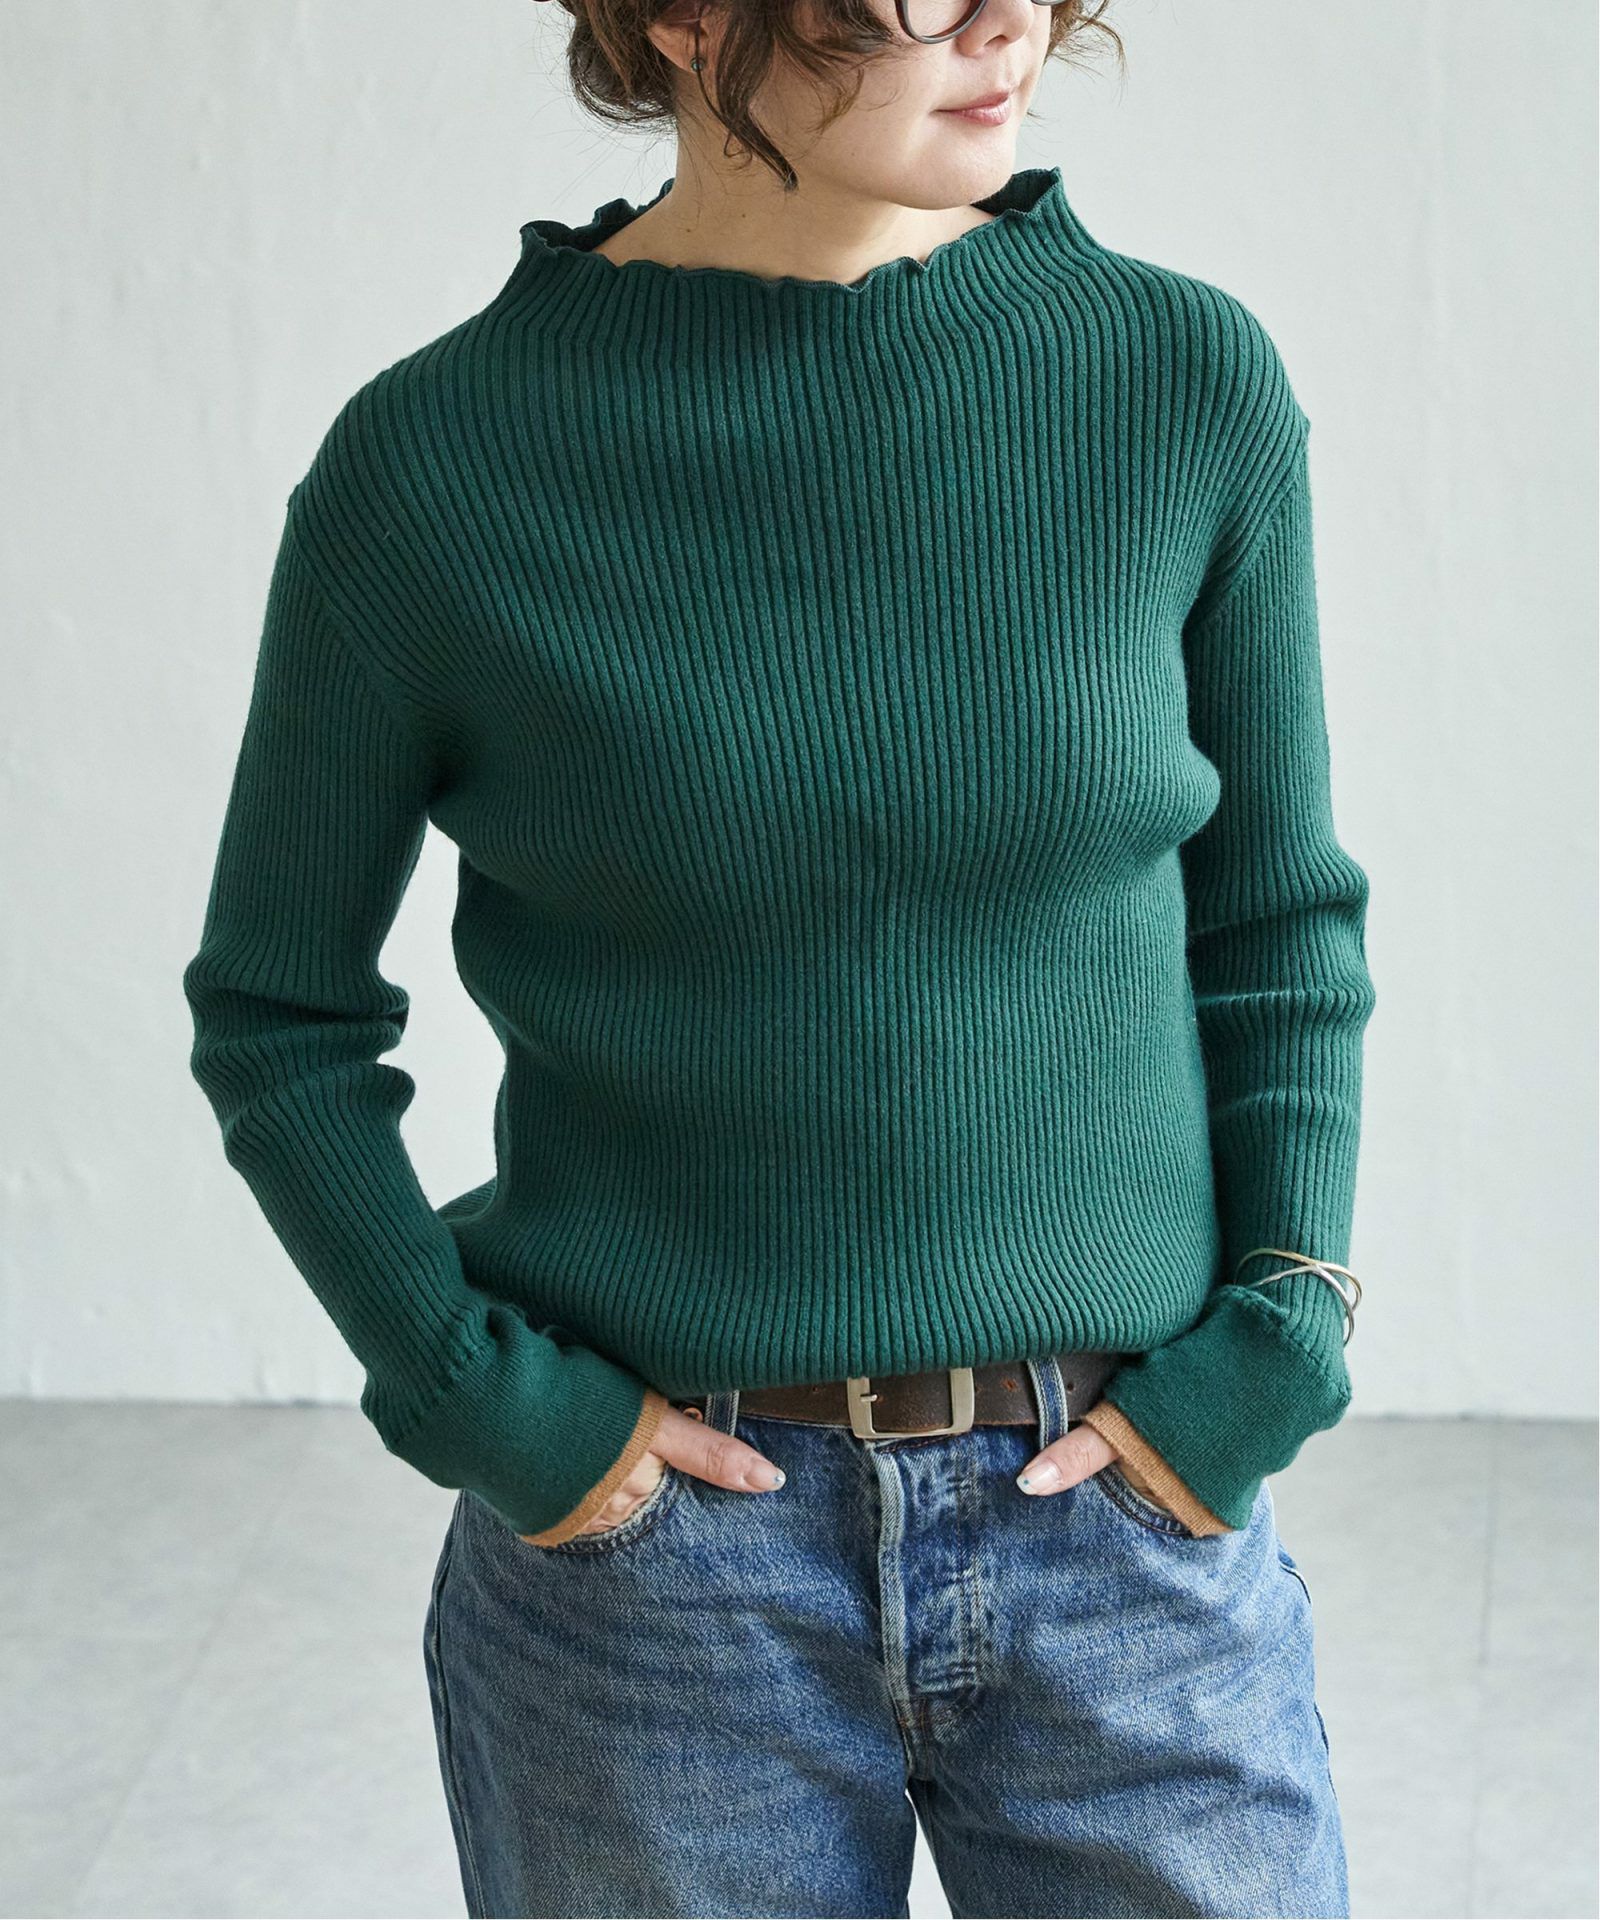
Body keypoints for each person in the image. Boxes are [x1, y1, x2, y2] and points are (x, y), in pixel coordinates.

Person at [181, 0, 1376, 1911]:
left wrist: (1287, 1328)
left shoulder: (1176, 379)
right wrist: (488, 1406)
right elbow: (278, 1013)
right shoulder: (433, 464)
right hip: (660, 1595)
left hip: (1128, 1536)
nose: (1006, 24)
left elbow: (1275, 918)